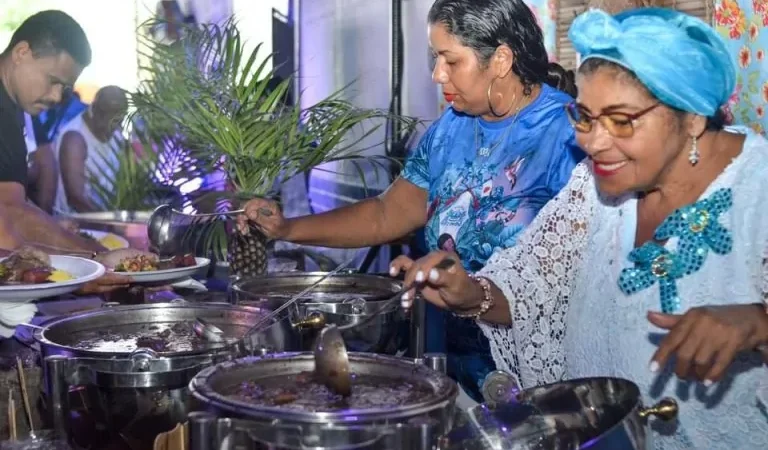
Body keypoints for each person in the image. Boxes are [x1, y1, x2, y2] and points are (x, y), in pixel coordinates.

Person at [392, 7, 768, 448]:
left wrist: (757, 324)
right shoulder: (597, 183)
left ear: (692, 118)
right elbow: (531, 284)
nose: (593, 141)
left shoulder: (757, 194)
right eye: (585, 117)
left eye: (621, 120)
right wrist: (468, 292)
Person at [239, 0, 585, 401]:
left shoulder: (566, 134)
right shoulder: (451, 127)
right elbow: (389, 212)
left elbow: (572, 279)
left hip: (529, 376)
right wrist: (288, 229)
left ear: (502, 59)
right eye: (435, 58)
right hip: (446, 359)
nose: (438, 75)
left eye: (450, 61)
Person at [0, 12, 131, 314]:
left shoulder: (12, 106)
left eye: (65, 87)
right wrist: (93, 263)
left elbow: (15, 205)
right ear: (22, 53)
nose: (58, 96)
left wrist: (93, 259)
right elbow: (9, 217)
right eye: (53, 81)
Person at [53, 85, 127, 214]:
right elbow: (76, 199)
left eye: (119, 118)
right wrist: (110, 223)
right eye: (109, 115)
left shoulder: (116, 133)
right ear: (94, 109)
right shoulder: (74, 139)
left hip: (106, 219)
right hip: (76, 223)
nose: (114, 124)